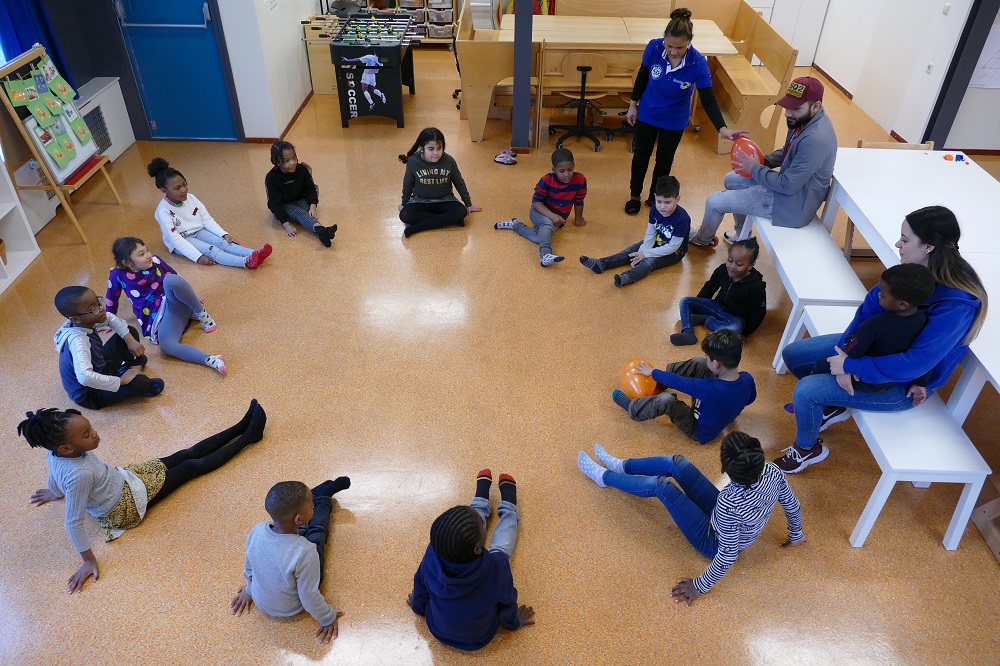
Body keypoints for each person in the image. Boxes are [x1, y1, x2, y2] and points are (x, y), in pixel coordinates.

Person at [774, 206, 988, 473]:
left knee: (806, 390)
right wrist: (847, 355)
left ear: (929, 247)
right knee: (795, 354)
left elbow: (914, 363)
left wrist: (850, 367)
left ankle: (807, 449)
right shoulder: (911, 271)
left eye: (905, 239)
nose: (898, 244)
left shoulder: (957, 305)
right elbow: (867, 313)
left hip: (905, 384)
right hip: (871, 351)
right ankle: (835, 403)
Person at [19, 400, 267, 593]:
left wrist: (54, 491)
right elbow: (72, 521)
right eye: (86, 435)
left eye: (90, 428)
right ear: (66, 448)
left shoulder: (56, 454)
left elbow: (55, 474)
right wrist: (87, 559)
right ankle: (248, 437)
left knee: (185, 453)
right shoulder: (79, 475)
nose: (94, 434)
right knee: (191, 466)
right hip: (124, 504)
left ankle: (240, 426)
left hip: (123, 479)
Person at [576, 433, 805, 605]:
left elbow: (727, 554)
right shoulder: (773, 471)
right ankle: (621, 465)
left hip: (712, 541)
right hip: (723, 518)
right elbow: (792, 504)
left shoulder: (728, 502)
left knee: (662, 486)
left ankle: (604, 477)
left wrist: (699, 586)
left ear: (724, 468)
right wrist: (796, 534)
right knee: (677, 463)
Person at [688, 76, 838, 247]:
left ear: (816, 106)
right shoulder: (805, 119)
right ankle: (741, 237)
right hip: (790, 192)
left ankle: (702, 239)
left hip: (791, 205)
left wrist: (755, 168)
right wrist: (762, 161)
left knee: (714, 202)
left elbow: (787, 185)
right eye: (787, 107)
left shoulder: (816, 139)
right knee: (731, 179)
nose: (788, 113)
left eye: (795, 108)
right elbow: (788, 150)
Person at [624, 8, 746, 215]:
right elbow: (643, 77)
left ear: (690, 41)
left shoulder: (698, 63)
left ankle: (656, 197)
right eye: (669, 45)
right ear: (664, 39)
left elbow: (708, 99)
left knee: (664, 160)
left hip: (674, 119)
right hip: (648, 113)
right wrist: (632, 104)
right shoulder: (654, 48)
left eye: (679, 48)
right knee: (641, 156)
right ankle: (634, 195)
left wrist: (722, 129)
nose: (673, 51)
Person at [409, 470, 534, 651]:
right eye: (481, 526)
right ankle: (509, 509)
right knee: (501, 549)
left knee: (465, 528)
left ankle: (481, 500)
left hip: (437, 629)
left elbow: (419, 584)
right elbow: (508, 601)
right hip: (479, 637)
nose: (483, 525)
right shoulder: (497, 565)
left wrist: (418, 607)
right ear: (478, 548)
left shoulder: (432, 552)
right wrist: (514, 623)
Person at [231, 477, 352, 643]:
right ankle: (323, 496)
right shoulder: (306, 552)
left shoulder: (257, 530)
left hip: (261, 601)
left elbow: (250, 565)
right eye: (312, 505)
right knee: (318, 533)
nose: (312, 508)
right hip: (291, 608)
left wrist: (249, 589)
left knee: (295, 530)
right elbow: (308, 595)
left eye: (312, 503)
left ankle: (311, 496)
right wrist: (327, 617)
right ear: (298, 518)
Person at [803, 263, 935, 393]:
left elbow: (853, 351)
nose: (878, 295)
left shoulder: (874, 325)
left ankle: (815, 394)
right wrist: (921, 382)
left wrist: (851, 337)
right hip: (890, 380)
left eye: (882, 294)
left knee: (822, 364)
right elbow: (927, 357)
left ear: (902, 304)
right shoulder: (924, 319)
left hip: (865, 381)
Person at [105, 237, 227, 375]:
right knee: (167, 346)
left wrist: (192, 296)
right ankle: (211, 360)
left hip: (175, 301)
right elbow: (111, 297)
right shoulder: (116, 274)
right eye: (141, 254)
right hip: (163, 316)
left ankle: (202, 313)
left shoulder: (156, 260)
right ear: (127, 263)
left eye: (147, 251)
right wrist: (109, 318)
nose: (148, 255)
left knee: (170, 280)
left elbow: (175, 277)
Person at [612, 329, 756, 445]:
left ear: (717, 363)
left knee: (666, 400)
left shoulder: (708, 389)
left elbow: (679, 383)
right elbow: (750, 399)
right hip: (712, 405)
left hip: (698, 430)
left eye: (708, 357)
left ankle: (633, 408)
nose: (706, 359)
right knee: (699, 363)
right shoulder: (747, 378)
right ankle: (661, 382)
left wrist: (652, 372)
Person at [148, 157, 272, 269]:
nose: (184, 190)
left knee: (222, 243)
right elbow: (176, 240)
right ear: (164, 190)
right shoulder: (163, 211)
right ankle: (245, 262)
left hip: (199, 231)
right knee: (212, 250)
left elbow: (207, 219)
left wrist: (224, 235)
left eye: (185, 184)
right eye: (177, 188)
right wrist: (197, 257)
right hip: (184, 239)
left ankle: (254, 253)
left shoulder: (191, 198)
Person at [53, 285, 164, 409]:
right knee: (141, 383)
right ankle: (134, 379)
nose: (101, 309)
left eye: (98, 302)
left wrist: (131, 341)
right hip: (90, 393)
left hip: (99, 367)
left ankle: (134, 370)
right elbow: (85, 377)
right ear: (75, 319)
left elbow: (110, 318)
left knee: (129, 333)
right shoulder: (78, 341)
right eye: (93, 308)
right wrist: (121, 381)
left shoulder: (81, 321)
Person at [579, 175, 687, 287]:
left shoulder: (682, 219)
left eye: (667, 202)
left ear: (677, 199)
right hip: (657, 241)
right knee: (629, 251)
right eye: (659, 201)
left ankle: (628, 277)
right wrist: (642, 251)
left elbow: (673, 247)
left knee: (650, 262)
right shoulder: (655, 209)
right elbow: (650, 234)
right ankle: (602, 263)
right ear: (655, 196)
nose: (662, 206)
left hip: (675, 253)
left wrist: (645, 254)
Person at [494, 147, 586, 267]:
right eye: (561, 171)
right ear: (554, 170)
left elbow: (579, 201)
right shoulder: (547, 180)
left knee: (540, 237)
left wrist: (578, 220)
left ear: (574, 166)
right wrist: (552, 216)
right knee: (547, 225)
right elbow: (536, 202)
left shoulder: (580, 180)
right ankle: (545, 255)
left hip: (558, 219)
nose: (567, 174)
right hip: (539, 212)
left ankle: (515, 224)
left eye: (570, 170)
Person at [670, 237, 766, 345]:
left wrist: (745, 333)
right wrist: (698, 306)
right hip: (716, 305)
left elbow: (758, 313)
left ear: (750, 266)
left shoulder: (756, 286)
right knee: (685, 301)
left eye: (739, 264)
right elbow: (710, 287)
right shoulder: (722, 270)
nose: (732, 266)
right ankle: (687, 332)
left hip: (734, 318)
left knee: (735, 328)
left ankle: (705, 319)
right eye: (730, 260)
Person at [398, 127, 481, 237]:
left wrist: (468, 204)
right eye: (431, 149)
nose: (436, 153)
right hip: (420, 201)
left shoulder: (449, 161)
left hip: (445, 200)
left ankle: (417, 228)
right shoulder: (413, 161)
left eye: (439, 148)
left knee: (461, 211)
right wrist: (404, 203)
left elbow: (459, 182)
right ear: (422, 148)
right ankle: (449, 220)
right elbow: (408, 184)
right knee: (405, 215)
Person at [265, 140, 337, 247]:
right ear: (277, 162)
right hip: (283, 205)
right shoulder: (272, 178)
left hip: (299, 200)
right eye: (287, 160)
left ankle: (322, 233)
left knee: (308, 215)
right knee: (300, 214)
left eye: (294, 158)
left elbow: (310, 189)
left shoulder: (302, 170)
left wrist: (312, 206)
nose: (293, 162)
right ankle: (322, 231)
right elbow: (275, 203)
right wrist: (286, 225)